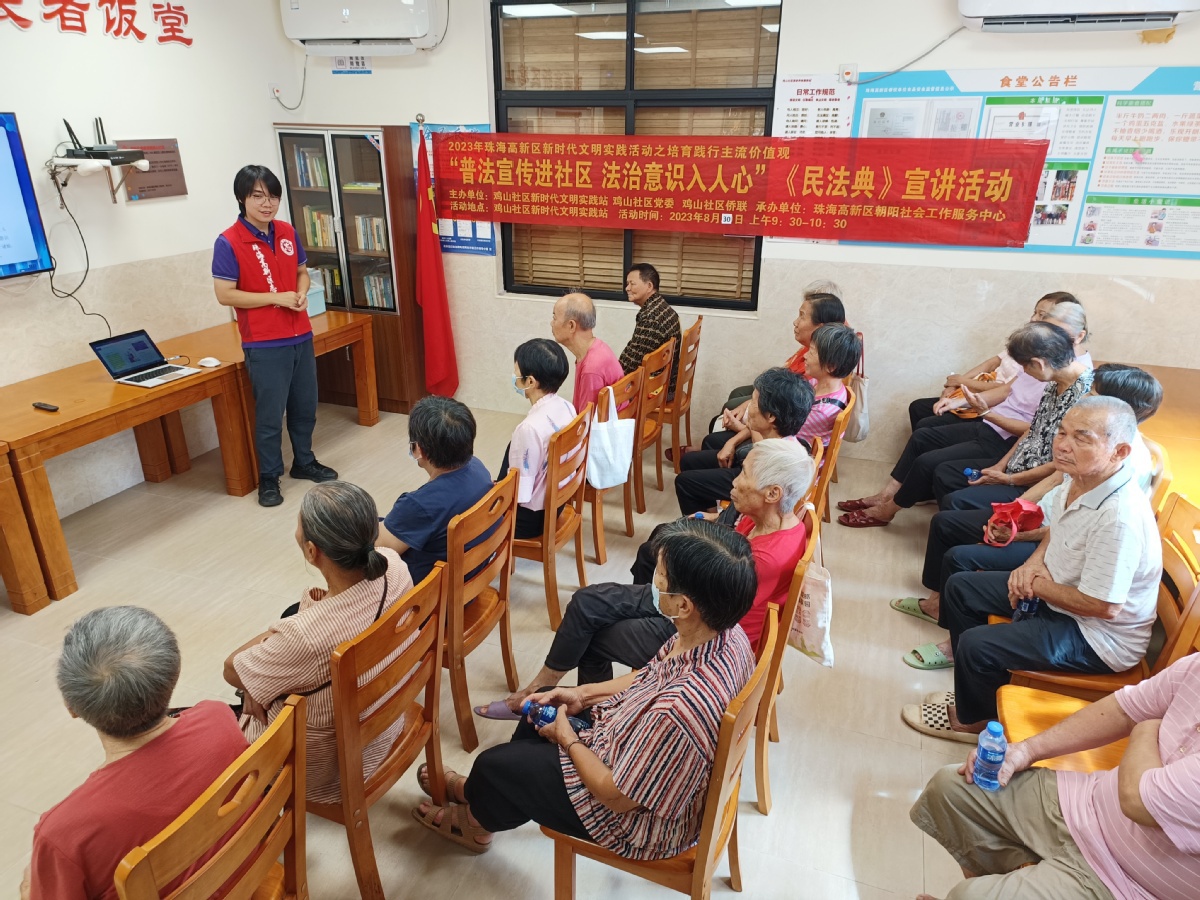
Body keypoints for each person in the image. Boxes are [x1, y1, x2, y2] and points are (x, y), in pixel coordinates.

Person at [411, 518, 757, 858]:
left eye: (660, 576)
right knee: (536, 717)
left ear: (684, 605)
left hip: (634, 822)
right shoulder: (724, 633)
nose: (653, 580)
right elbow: (651, 676)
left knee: (495, 766)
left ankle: (477, 820)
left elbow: (615, 796)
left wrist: (568, 739)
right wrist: (582, 694)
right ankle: (488, 796)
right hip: (632, 751)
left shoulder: (677, 712)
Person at [476, 439, 812, 719]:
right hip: (697, 604)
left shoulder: (762, 558)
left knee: (592, 630)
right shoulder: (775, 520)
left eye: (745, 475)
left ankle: (581, 713)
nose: (734, 481)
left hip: (703, 633)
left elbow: (706, 616)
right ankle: (551, 695)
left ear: (773, 493)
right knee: (588, 602)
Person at [900, 397, 1162, 741]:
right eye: (1062, 432)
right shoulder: (1082, 479)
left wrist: (1034, 584)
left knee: (978, 644)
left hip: (1096, 636)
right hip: (1062, 593)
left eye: (1081, 438)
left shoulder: (1120, 518)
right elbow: (1057, 530)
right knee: (961, 588)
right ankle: (981, 692)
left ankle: (975, 719)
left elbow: (1104, 606)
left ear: (1120, 452)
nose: (1062, 445)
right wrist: (1033, 564)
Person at [893, 363, 1164, 655]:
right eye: (1062, 434)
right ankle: (947, 621)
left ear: (1117, 409)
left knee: (961, 564)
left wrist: (1028, 568)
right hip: (1053, 556)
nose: (1085, 396)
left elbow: (1101, 601)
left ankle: (958, 643)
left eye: (1094, 393)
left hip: (1085, 619)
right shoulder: (1086, 467)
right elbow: (1062, 517)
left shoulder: (1118, 494)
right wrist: (1016, 523)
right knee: (955, 550)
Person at [911, 649, 1200, 900]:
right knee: (950, 789)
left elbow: (1136, 800)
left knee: (969, 896)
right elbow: (1125, 709)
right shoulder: (1195, 667)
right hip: (1087, 804)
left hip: (1128, 882)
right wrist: (1027, 750)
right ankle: (1008, 880)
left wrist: (1145, 729)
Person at [23, 607, 248, 900]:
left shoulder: (65, 833)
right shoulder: (218, 718)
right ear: (173, 674)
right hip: (241, 874)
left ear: (71, 706)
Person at [225, 481, 416, 804]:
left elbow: (232, 669)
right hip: (384, 726)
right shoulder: (394, 565)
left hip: (325, 770)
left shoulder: (305, 636)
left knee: (209, 720)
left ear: (312, 551)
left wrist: (257, 678)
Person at [838, 316, 1092, 528]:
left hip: (1023, 468)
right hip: (1009, 454)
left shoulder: (1084, 397)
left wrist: (1009, 478)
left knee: (932, 464)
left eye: (1026, 367)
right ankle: (888, 499)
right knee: (925, 438)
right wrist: (1001, 465)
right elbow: (1033, 431)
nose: (1024, 373)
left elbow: (1060, 468)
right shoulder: (1053, 382)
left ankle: (890, 510)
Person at [212, 164, 336, 508]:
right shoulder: (228, 241)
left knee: (305, 406)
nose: (267, 204)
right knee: (270, 416)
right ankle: (269, 477)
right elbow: (224, 294)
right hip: (264, 342)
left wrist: (301, 292)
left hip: (300, 334)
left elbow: (302, 273)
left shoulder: (286, 231)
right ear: (242, 199)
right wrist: (274, 298)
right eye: (258, 196)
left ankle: (304, 461)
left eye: (273, 196)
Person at [690, 284, 844, 458]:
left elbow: (778, 436)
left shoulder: (814, 375)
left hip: (770, 452)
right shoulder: (815, 362)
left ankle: (710, 454)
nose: (795, 322)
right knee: (735, 400)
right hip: (772, 429)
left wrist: (743, 428)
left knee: (723, 419)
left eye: (802, 316)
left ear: (821, 327)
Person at [908, 292, 1078, 431]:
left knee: (926, 430)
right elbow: (990, 364)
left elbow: (1006, 390)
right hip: (980, 397)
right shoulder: (1024, 343)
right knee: (918, 408)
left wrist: (962, 383)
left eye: (1042, 315)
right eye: (1035, 312)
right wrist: (954, 387)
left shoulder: (1045, 362)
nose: (1033, 319)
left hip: (994, 408)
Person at [377, 396, 494, 584]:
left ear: (418, 449)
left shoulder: (419, 505)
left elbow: (379, 548)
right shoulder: (478, 467)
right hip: (472, 577)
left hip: (430, 596)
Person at [675, 367, 814, 516]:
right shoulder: (779, 437)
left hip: (752, 481)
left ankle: (702, 525)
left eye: (753, 403)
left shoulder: (773, 464)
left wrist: (718, 518)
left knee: (684, 482)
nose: (748, 409)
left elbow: (747, 504)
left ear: (771, 416)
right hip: (751, 470)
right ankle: (708, 511)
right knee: (689, 461)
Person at [503, 338, 577, 539]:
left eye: (517, 373)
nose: (514, 377)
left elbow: (520, 494)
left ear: (530, 382)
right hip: (558, 502)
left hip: (530, 520)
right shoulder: (567, 406)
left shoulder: (529, 428)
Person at [550, 292, 624, 414]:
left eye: (554, 318)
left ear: (571, 325)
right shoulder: (598, 347)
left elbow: (586, 421)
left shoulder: (591, 369)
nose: (551, 323)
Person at [619, 263, 681, 396]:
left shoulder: (651, 318)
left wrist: (611, 377)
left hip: (657, 389)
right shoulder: (661, 306)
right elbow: (634, 351)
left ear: (649, 286)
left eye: (632, 284)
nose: (627, 288)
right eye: (627, 284)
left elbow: (632, 363)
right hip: (667, 382)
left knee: (604, 393)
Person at [797, 323, 859, 448]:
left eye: (811, 352)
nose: (805, 356)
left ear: (831, 366)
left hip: (796, 453)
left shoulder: (821, 411)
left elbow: (782, 435)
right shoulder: (818, 382)